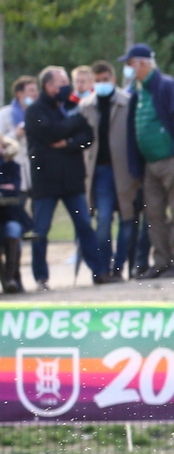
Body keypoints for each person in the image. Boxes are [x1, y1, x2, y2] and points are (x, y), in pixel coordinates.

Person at [23, 65, 112, 287]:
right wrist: (74, 125)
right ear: (49, 86)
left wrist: (69, 142)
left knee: (84, 226)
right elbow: (50, 132)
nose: (67, 87)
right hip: (46, 182)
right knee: (41, 230)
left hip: (72, 180)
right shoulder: (35, 111)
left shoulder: (73, 107)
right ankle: (41, 277)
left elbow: (88, 136)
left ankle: (99, 271)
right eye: (63, 83)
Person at [125, 45, 174, 279]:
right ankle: (160, 262)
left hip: (171, 161)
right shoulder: (138, 92)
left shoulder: (167, 86)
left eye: (130, 64)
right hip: (150, 164)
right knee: (154, 214)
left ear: (142, 63)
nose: (128, 69)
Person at [78, 64, 138, 279]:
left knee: (127, 219)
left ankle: (119, 266)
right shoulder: (86, 106)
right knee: (103, 220)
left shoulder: (127, 102)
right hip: (100, 171)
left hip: (124, 170)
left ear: (113, 79)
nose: (102, 84)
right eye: (98, 80)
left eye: (105, 79)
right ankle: (103, 267)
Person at [0, 127, 22, 292]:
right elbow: (9, 188)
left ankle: (11, 278)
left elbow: (14, 189)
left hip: (8, 215)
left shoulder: (12, 166)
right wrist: (4, 187)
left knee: (13, 231)